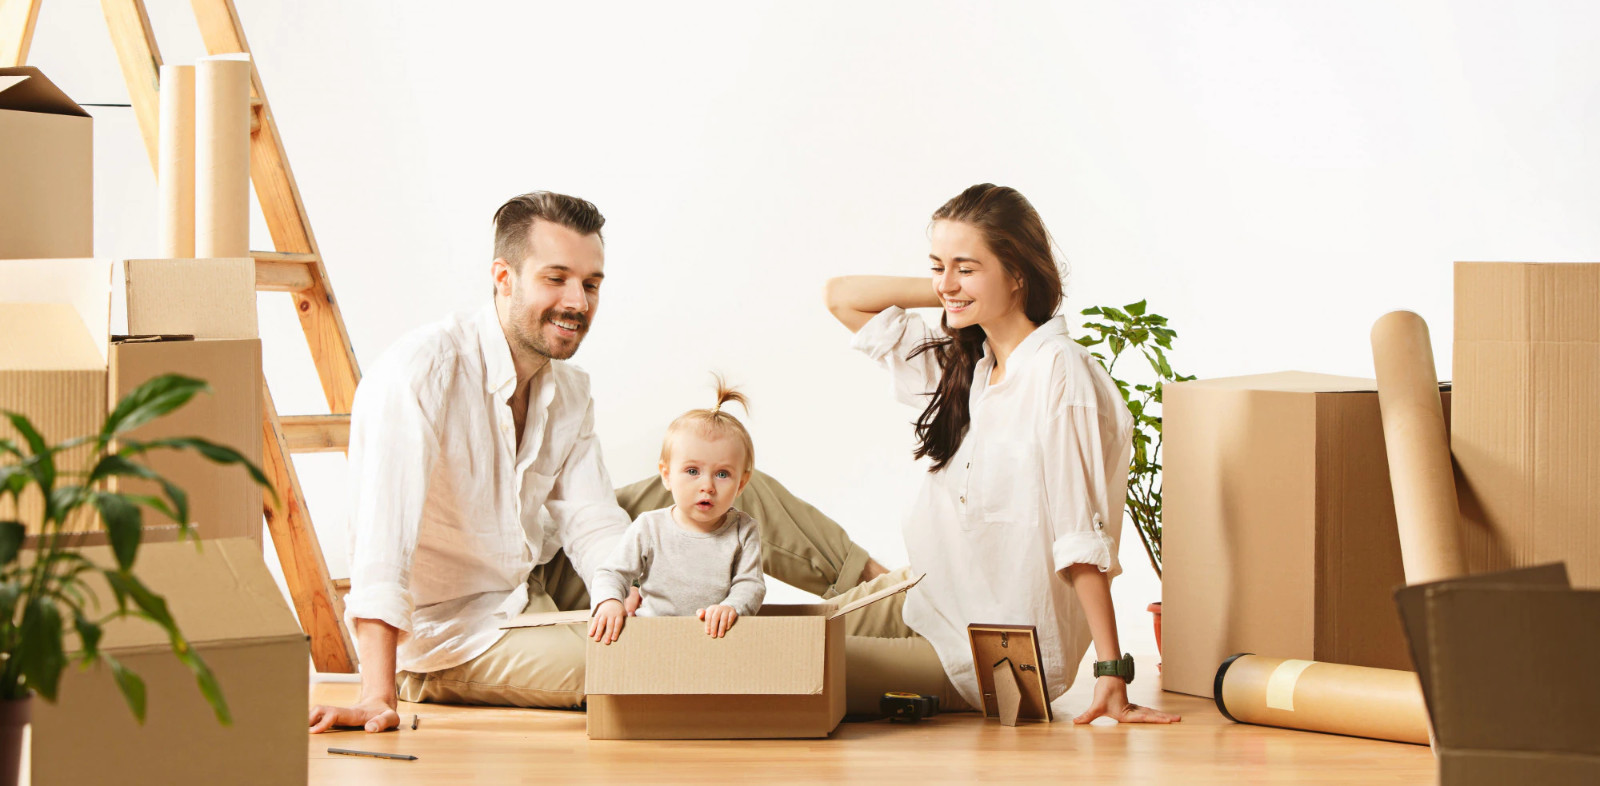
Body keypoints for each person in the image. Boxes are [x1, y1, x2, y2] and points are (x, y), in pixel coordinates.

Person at [309, 192, 885, 733]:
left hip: (539, 575)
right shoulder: (420, 373)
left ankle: (891, 600)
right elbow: (381, 541)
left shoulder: (570, 390)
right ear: (503, 279)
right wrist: (375, 693)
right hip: (459, 630)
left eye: (591, 283)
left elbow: (590, 520)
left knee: (729, 495)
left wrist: (625, 590)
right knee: (640, 662)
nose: (577, 303)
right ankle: (867, 657)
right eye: (556, 279)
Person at [823, 183, 1180, 724]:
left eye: (966, 266)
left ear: (1018, 273)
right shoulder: (969, 369)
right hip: (932, 603)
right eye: (937, 265)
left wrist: (1111, 673)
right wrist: (957, 288)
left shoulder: (1059, 372)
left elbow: (1079, 534)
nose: (945, 283)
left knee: (790, 662)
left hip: (996, 654)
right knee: (765, 624)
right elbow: (841, 296)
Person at [589, 379, 765, 643]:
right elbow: (612, 572)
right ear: (667, 475)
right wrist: (610, 602)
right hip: (653, 639)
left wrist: (731, 607)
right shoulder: (649, 527)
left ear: (741, 483)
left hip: (716, 639)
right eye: (692, 471)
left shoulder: (743, 530)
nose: (707, 486)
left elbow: (751, 584)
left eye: (722, 474)